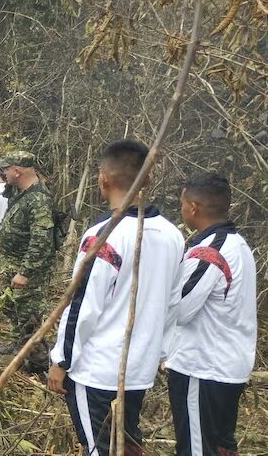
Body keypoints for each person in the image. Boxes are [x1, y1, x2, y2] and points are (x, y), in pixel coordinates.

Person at [46, 140, 184, 455]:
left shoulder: (103, 236)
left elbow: (82, 304)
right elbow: (173, 305)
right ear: (148, 180)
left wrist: (61, 359)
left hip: (97, 371)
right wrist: (160, 352)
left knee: (98, 448)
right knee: (125, 444)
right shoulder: (173, 235)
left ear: (103, 179)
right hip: (139, 370)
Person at [165, 173, 257, 456]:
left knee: (196, 448)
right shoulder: (238, 244)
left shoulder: (209, 252)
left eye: (182, 204)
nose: (181, 210)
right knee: (219, 446)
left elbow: (180, 310)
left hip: (203, 368)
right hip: (228, 366)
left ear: (193, 207)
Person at [0, 150, 56, 372]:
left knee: (30, 317)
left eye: (6, 170)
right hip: (12, 266)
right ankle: (18, 347)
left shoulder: (38, 199)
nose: (3, 174)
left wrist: (26, 272)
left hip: (27, 272)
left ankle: (39, 364)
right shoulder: (21, 194)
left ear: (17, 171)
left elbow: (42, 239)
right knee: (14, 310)